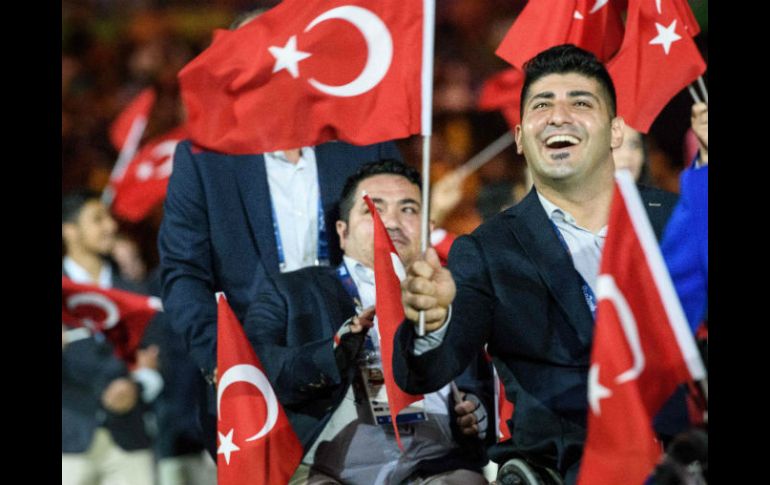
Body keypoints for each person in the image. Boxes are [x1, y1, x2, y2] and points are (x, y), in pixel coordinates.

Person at [392, 45, 679, 484]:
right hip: (577, 463)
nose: (559, 116)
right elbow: (427, 370)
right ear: (523, 137)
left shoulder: (681, 219)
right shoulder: (489, 249)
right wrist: (432, 320)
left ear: (617, 131)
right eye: (542, 105)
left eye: (580, 102)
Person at [244, 160, 493, 485]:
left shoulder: (447, 292)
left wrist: (476, 410)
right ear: (342, 232)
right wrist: (333, 352)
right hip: (332, 469)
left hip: (438, 466)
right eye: (372, 210)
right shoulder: (291, 291)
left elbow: (479, 385)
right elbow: (257, 369)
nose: (390, 221)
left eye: (408, 209)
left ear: (429, 228)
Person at [62, 189, 162, 485]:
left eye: (108, 218)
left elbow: (160, 359)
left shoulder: (133, 292)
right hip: (69, 442)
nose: (111, 226)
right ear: (69, 230)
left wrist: (138, 387)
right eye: (97, 219)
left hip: (131, 441)